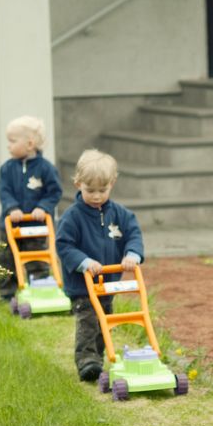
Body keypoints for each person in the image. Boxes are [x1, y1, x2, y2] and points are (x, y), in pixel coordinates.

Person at [55, 149, 144, 382]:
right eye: (90, 190)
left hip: (108, 284)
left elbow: (133, 234)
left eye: (102, 191)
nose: (96, 196)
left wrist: (132, 254)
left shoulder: (120, 215)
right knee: (88, 322)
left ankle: (99, 356)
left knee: (105, 322)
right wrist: (84, 262)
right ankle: (87, 361)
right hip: (82, 287)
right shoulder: (72, 217)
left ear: (112, 184)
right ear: (77, 184)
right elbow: (63, 245)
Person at [0, 115, 63, 300]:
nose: (8, 145)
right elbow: (4, 191)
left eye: (12, 141)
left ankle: (41, 289)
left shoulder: (46, 169)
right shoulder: (6, 169)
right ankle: (6, 294)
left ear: (30, 144)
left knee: (37, 259)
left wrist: (43, 207)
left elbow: (55, 192)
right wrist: (12, 208)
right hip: (12, 225)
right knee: (6, 260)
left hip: (37, 226)